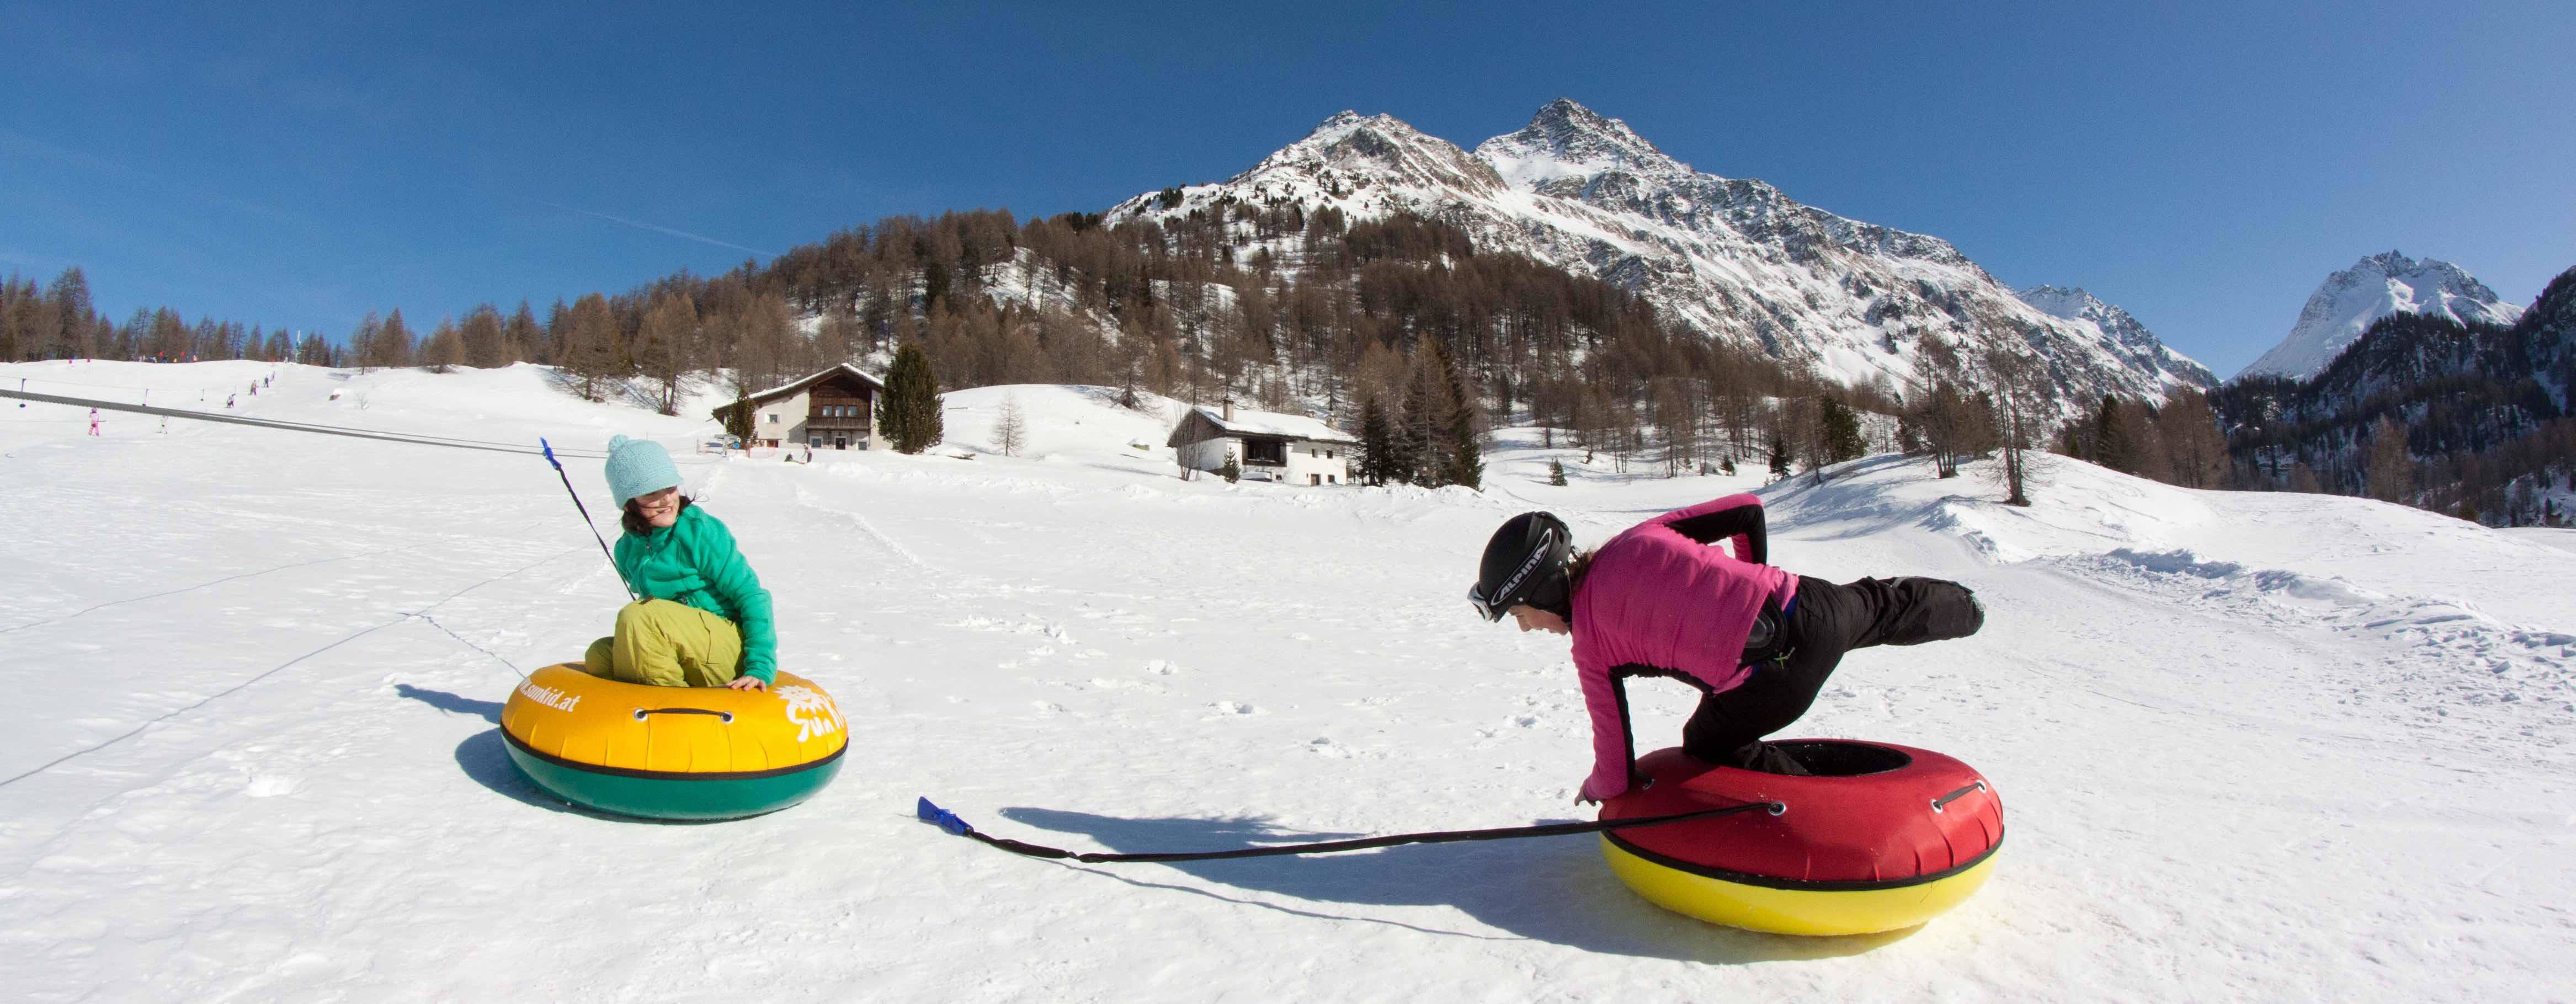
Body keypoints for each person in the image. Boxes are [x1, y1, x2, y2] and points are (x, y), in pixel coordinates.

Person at [1470, 495, 1983, 803]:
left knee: (1709, 743)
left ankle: (1826, 804)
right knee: (1881, 603)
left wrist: (1597, 791)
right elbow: (1748, 512)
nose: (1526, 630)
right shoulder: (1639, 537)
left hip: (1774, 682)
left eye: (1519, 615)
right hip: (1811, 604)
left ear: (1538, 593)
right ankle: (1970, 607)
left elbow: (1616, 766)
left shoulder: (1592, 646)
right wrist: (1753, 582)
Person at [581, 434, 778, 691]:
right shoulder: (627, 549)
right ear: (629, 503)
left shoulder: (700, 532)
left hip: (726, 645)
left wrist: (760, 666)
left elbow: (752, 596)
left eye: (670, 487)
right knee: (599, 656)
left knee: (640, 616)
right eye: (652, 492)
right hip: (682, 646)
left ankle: (672, 714)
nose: (667, 500)